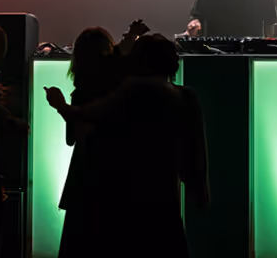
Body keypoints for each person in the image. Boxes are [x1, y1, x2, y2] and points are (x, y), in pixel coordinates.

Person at [45, 34, 209, 258]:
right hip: (163, 191)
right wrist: (198, 188)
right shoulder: (186, 97)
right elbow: (195, 151)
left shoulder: (131, 94)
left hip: (124, 195)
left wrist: (60, 105)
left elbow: (89, 117)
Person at [55, 28, 124, 258]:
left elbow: (72, 137)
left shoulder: (81, 92)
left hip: (86, 175)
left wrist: (62, 107)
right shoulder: (120, 89)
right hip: (116, 175)